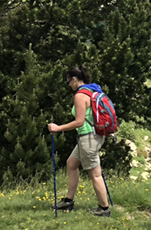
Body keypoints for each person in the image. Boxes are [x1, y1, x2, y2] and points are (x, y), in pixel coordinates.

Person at [47, 66, 111, 217]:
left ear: (74, 79)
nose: (68, 85)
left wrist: (58, 128)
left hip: (88, 138)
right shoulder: (92, 90)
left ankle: (104, 209)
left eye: (68, 81)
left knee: (95, 174)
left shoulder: (80, 96)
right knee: (71, 163)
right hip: (93, 136)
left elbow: (79, 122)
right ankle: (68, 201)